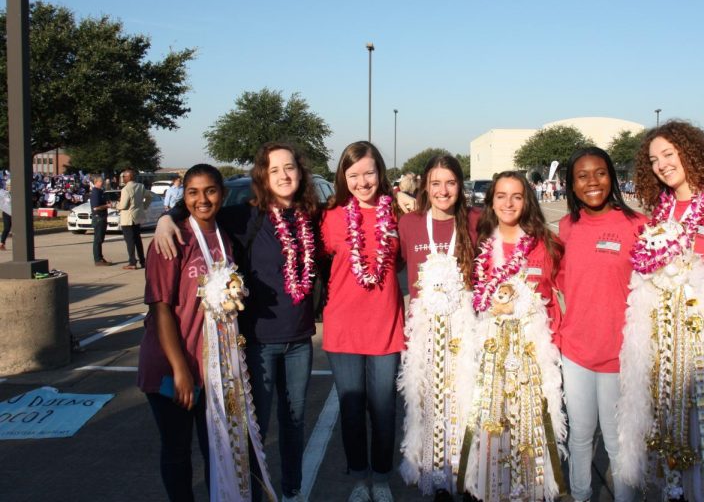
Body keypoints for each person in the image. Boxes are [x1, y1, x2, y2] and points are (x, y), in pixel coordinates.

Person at [154, 142, 319, 502]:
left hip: (300, 340)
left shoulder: (312, 216)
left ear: (300, 172)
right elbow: (200, 210)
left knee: (294, 421)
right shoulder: (245, 217)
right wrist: (165, 218)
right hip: (258, 341)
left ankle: (291, 490)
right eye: (274, 170)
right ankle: (257, 494)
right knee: (255, 429)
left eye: (289, 167)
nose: (283, 175)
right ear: (263, 175)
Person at [618, 120, 704, 502]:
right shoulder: (659, 215)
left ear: (690, 152)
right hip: (662, 350)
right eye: (653, 160)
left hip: (703, 352)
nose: (661, 164)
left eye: (668, 154)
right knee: (666, 443)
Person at [138, 164, 275, 502]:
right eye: (193, 192)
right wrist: (181, 369)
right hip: (173, 365)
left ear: (222, 194)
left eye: (210, 191)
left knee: (218, 449)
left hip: (214, 369)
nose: (202, 199)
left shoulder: (225, 238)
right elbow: (161, 308)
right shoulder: (172, 239)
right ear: (182, 197)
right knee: (177, 451)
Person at [457, 171, 566, 502]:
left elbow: (561, 297)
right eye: (501, 195)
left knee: (530, 427)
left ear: (527, 200)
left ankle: (532, 489)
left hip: (534, 356)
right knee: (492, 426)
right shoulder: (480, 244)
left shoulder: (546, 243)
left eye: (516, 196)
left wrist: (557, 345)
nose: (508, 203)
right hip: (490, 356)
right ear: (490, 201)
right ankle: (490, 488)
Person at [557, 147, 647, 502]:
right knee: (579, 434)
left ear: (612, 177)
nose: (592, 182)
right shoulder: (566, 227)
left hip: (618, 355)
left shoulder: (637, 226)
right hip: (575, 351)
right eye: (582, 176)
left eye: (600, 173)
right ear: (571, 185)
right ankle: (580, 495)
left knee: (616, 438)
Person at [320, 141, 404, 502]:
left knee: (383, 409)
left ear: (380, 172)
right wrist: (170, 217)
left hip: (386, 328)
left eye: (369, 172)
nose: (362, 181)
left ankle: (382, 477)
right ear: (343, 177)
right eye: (353, 175)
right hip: (343, 329)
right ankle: (359, 477)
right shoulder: (330, 216)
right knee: (352, 410)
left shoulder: (399, 214)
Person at [396, 155, 478, 500]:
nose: (443, 191)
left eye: (451, 183)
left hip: (466, 327)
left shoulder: (477, 220)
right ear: (425, 188)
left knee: (466, 400)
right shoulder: (409, 223)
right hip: (425, 329)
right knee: (429, 401)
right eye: (435, 183)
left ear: (460, 186)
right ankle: (437, 473)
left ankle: (469, 472)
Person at [118, 168, 151, 269]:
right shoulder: (140, 186)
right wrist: (144, 206)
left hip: (127, 218)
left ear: (129, 177)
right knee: (137, 240)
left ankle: (132, 262)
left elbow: (123, 205)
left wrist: (115, 205)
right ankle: (142, 260)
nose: (122, 178)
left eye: (124, 176)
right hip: (137, 216)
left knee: (130, 241)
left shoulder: (126, 189)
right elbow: (149, 196)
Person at [90, 175, 112, 266]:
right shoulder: (95, 192)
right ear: (96, 182)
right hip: (98, 218)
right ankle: (98, 259)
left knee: (100, 239)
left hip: (102, 217)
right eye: (101, 181)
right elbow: (95, 208)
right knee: (98, 240)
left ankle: (100, 257)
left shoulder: (100, 191)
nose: (102, 183)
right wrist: (107, 206)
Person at [0, 178, 11, 251]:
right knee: (7, 228)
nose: (9, 187)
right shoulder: (3, 192)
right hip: (7, 212)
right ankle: (2, 243)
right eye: (8, 185)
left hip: (18, 212)